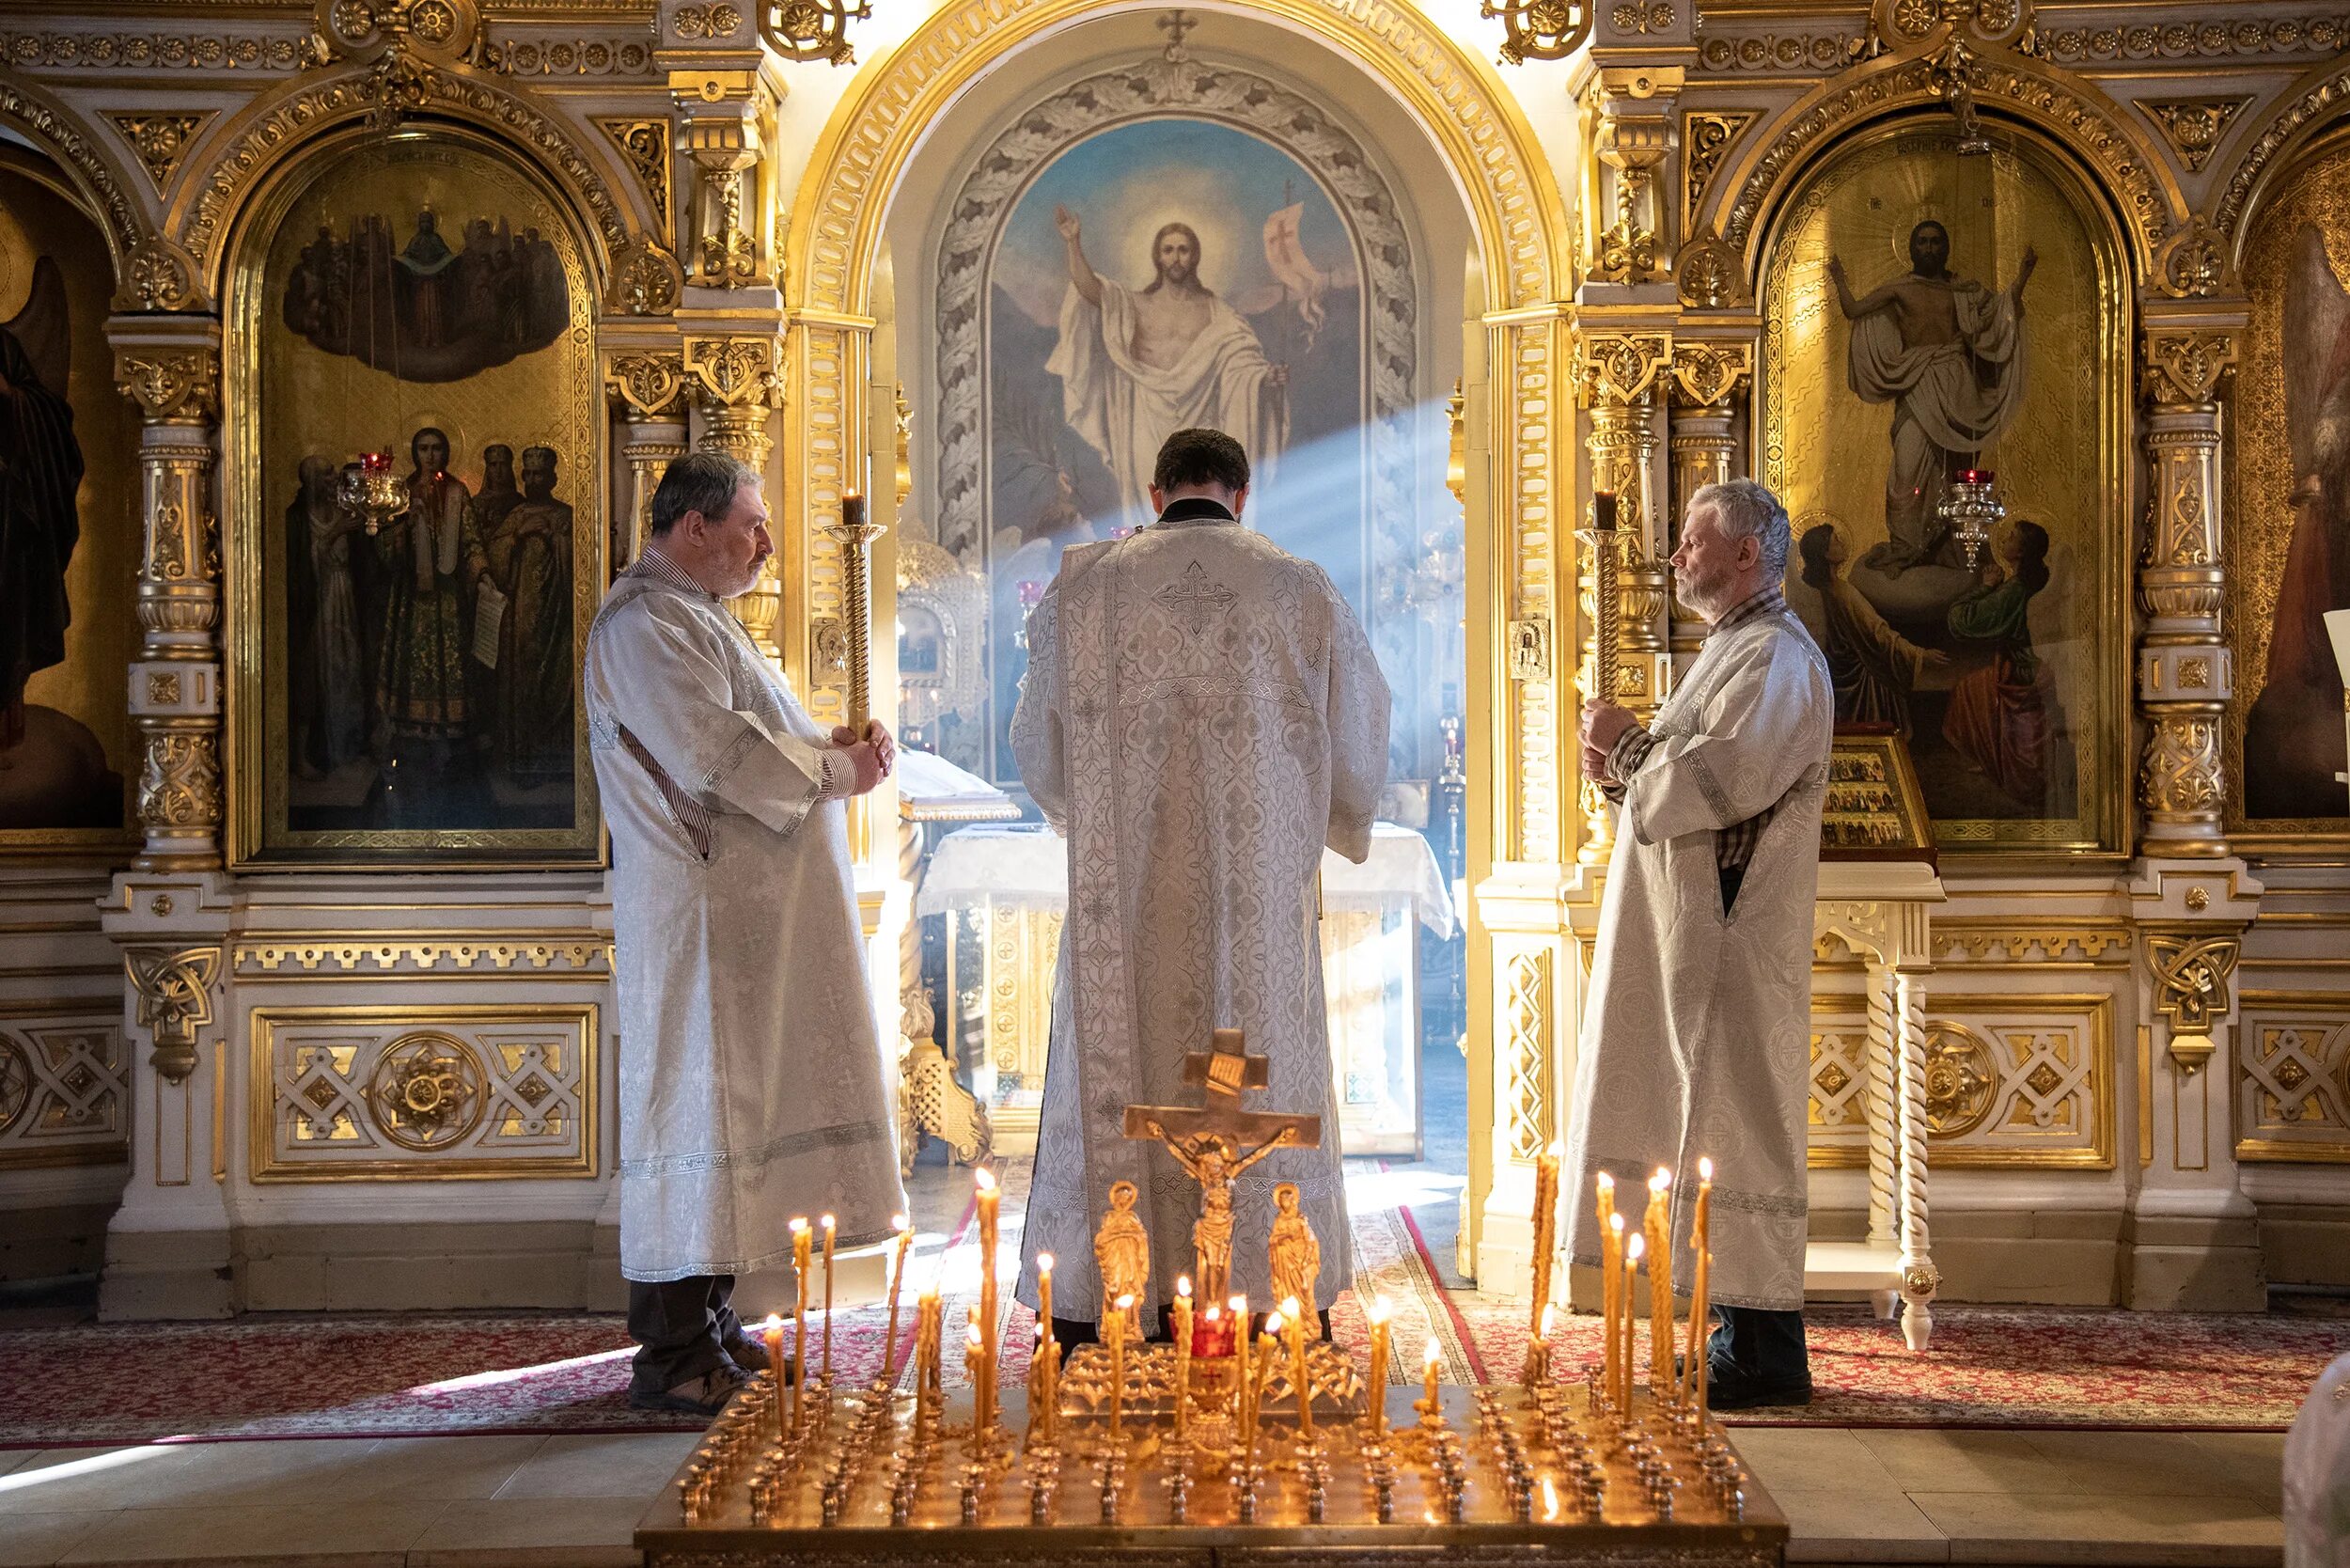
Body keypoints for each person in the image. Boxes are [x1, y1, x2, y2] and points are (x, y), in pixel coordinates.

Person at [1010, 427, 1388, 1346]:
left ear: (1155, 489)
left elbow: (1038, 750)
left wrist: (1090, 818)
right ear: (1242, 494)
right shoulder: (1300, 587)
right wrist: (1325, 818)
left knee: (1123, 1054)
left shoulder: (1085, 587)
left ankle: (1106, 1301)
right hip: (1256, 911)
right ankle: (1264, 1292)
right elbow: (1361, 745)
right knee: (1259, 1056)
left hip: (1124, 907)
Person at [582, 450, 907, 1417]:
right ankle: (671, 1353)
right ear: (694, 528)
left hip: (738, 921)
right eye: (751, 524)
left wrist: (832, 751)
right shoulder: (644, 624)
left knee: (734, 1119)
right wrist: (839, 773)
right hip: (701, 920)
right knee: (699, 1114)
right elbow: (715, 759)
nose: (765, 542)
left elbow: (760, 743)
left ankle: (712, 1324)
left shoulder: (693, 618)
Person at [1568, 478, 1834, 1409]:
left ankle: (1765, 1353)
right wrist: (1619, 767)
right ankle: (1733, 1332)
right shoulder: (1729, 651)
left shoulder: (1774, 660)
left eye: (1693, 539)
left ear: (1748, 554)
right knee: (1710, 1123)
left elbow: (1726, 782)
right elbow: (1676, 792)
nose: (1677, 555)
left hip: (1732, 934)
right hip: (1699, 928)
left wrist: (1629, 747)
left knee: (1738, 1125)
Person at [1047, 206, 1289, 526]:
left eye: (1183, 250)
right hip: (1146, 416)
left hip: (1202, 420)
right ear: (1158, 257)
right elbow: (1090, 290)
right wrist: (1073, 243)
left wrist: (1263, 377)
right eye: (1169, 250)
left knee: (1202, 506)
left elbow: (1242, 357)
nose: (1176, 257)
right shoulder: (1136, 305)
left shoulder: (1216, 311)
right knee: (1149, 509)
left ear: (1195, 256)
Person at [1829, 222, 2033, 572]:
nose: (1928, 248)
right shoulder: (1900, 289)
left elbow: (2004, 311)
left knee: (1956, 468)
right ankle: (1906, 546)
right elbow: (1855, 310)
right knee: (1906, 468)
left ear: (1946, 247)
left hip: (1957, 383)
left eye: (1935, 241)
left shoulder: (1965, 290)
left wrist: (2024, 275)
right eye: (1922, 242)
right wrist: (1839, 278)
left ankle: (1954, 545)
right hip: (1918, 380)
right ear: (1910, 248)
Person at [1942, 517, 2063, 809]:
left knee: (1966, 691)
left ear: (2020, 552)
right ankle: (1992, 757)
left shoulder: (2015, 590)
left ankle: (1991, 759)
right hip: (2036, 666)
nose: (2005, 540)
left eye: (2011, 537)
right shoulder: (2039, 577)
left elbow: (1964, 619)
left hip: (2020, 672)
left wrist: (1985, 587)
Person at [1797, 521, 1946, 736]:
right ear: (1825, 553)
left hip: (1828, 678)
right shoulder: (1844, 593)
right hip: (1860, 687)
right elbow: (1879, 635)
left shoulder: (1809, 590)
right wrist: (1920, 655)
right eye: (1835, 541)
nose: (1841, 544)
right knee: (1885, 683)